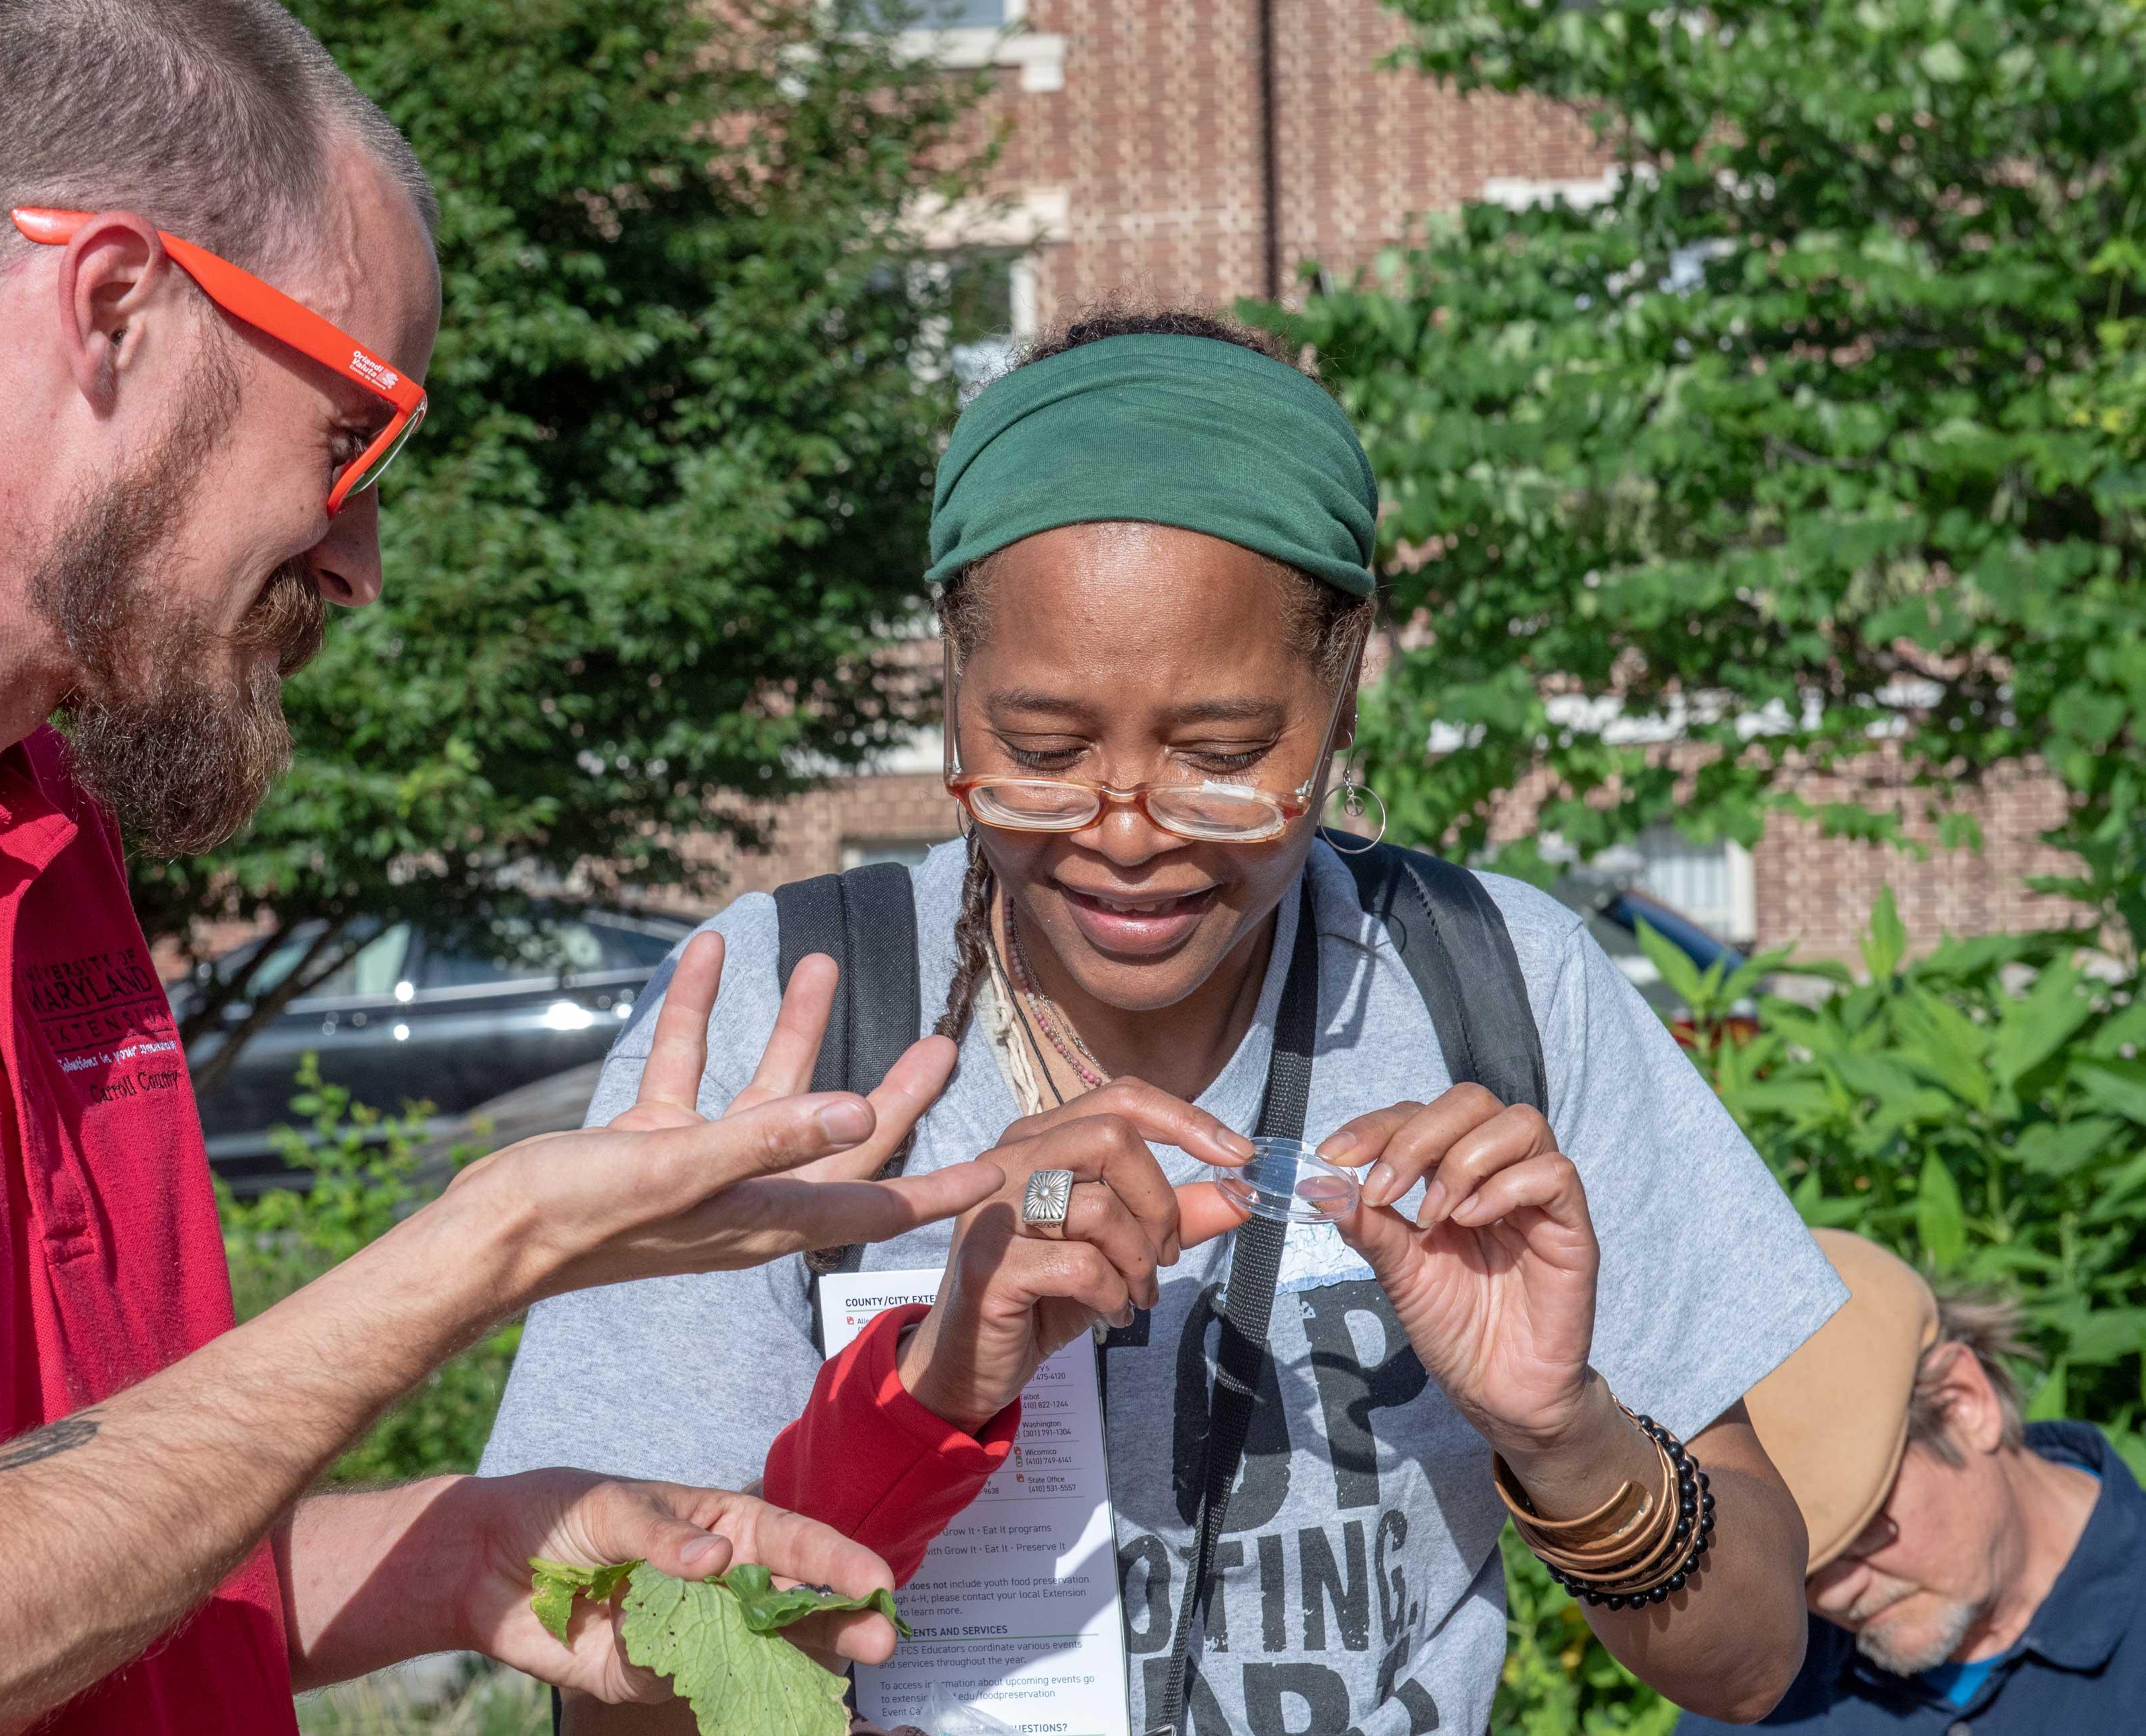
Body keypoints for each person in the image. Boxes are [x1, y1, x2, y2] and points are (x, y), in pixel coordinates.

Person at [0, 3, 1010, 1732]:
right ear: (110, 305)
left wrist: (466, 1551)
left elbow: (44, 1549)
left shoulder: (29, 805)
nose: (363, 558)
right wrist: (487, 1246)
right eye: (350, 439)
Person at [482, 306, 1854, 1735]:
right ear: (951, 681)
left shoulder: (1501, 980)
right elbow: (618, 1706)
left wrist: (1560, 1430)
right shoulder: (787, 1015)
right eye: (1042, 748)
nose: (1127, 833)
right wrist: (929, 1397)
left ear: (1343, 679)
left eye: (1221, 755)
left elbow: (1750, 1659)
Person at [1676, 1231, 2145, 1733]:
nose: (1834, 1597)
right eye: (1803, 1574)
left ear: (1964, 1402)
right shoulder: (1759, 1703)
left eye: (1862, 1528)